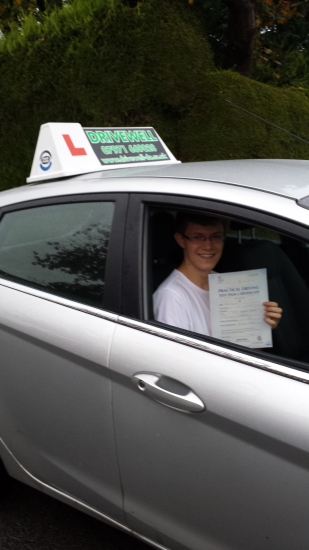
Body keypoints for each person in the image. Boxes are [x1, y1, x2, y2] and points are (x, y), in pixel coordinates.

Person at [153, 213, 282, 337]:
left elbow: (242, 349)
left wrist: (261, 328)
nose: (208, 246)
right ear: (181, 240)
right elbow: (174, 358)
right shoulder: (171, 297)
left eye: (216, 237)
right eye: (197, 237)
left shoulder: (226, 285)